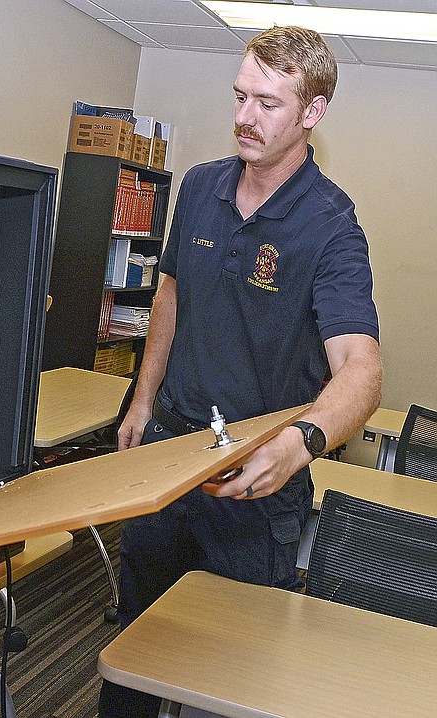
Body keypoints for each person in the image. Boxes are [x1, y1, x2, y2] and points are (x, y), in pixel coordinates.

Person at [98, 25, 383, 718]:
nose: (244, 117)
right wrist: (144, 396)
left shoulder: (332, 227)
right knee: (134, 644)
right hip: (170, 454)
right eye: (240, 96)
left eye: (268, 103)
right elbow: (170, 291)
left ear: (312, 112)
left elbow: (362, 369)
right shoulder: (199, 186)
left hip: (258, 478)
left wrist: (301, 442)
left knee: (225, 669)